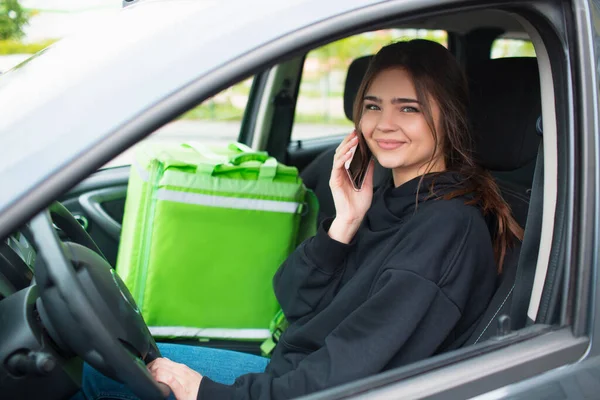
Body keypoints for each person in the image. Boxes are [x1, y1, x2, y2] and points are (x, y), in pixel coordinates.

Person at [74, 39, 523, 400]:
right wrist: (343, 224)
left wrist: (206, 392)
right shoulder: (386, 197)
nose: (384, 123)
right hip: (295, 369)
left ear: (449, 116)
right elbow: (295, 302)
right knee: (108, 363)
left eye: (409, 108)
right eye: (372, 105)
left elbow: (353, 373)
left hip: (308, 385)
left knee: (104, 375)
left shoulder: (446, 226)